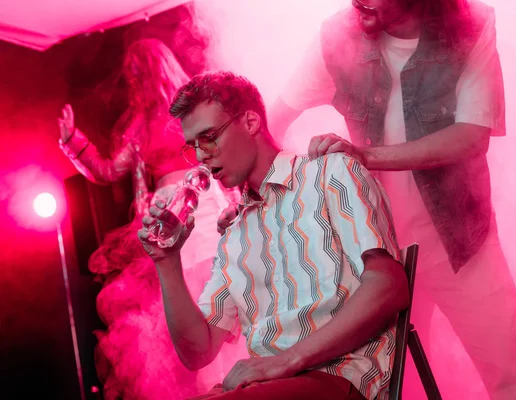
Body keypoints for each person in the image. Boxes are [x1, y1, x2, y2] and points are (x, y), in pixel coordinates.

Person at [217, 1, 516, 399]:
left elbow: (472, 137)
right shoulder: (337, 35)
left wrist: (366, 156)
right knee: (375, 385)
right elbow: (274, 119)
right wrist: (253, 200)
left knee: (514, 378)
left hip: (460, 243)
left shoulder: (470, 24)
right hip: (377, 253)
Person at [137, 70, 410, 400]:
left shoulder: (329, 172)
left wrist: (284, 362)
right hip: (268, 388)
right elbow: (198, 352)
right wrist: (167, 261)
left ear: (250, 123)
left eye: (209, 137)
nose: (199, 156)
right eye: (193, 146)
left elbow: (390, 286)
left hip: (339, 379)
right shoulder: (234, 233)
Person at [58, 39, 245, 399]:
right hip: (169, 212)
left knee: (220, 284)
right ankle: (214, 384)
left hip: (203, 204)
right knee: (189, 294)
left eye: (137, 70)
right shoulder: (140, 123)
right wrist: (72, 142)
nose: (132, 80)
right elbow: (109, 169)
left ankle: (236, 378)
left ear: (155, 67)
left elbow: (221, 153)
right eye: (130, 73)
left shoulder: (191, 113)